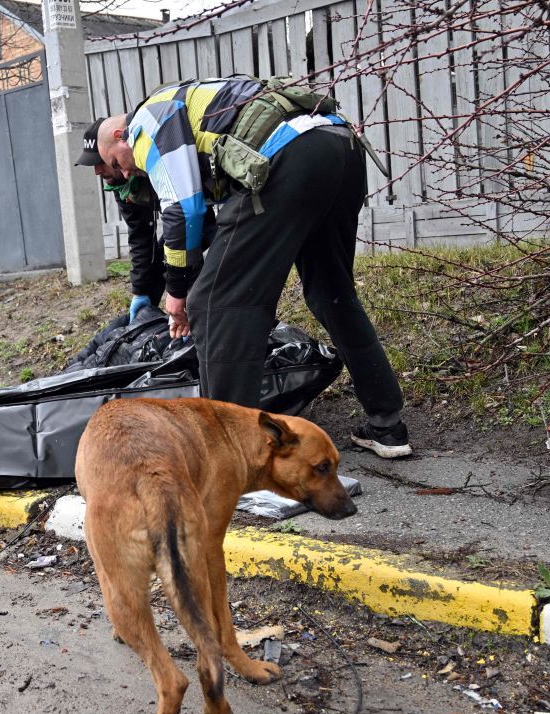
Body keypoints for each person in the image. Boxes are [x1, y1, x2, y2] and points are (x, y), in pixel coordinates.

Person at [97, 77, 412, 458]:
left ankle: (231, 457)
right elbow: (214, 231)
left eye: (116, 163)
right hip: (339, 147)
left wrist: (178, 294)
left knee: (217, 305)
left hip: (289, 155)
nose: (126, 175)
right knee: (332, 293)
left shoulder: (146, 122)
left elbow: (183, 210)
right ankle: (387, 426)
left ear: (120, 135)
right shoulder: (194, 115)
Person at [75, 118, 215, 323]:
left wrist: (178, 293)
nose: (97, 171)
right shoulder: (121, 185)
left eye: (99, 162)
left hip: (199, 213)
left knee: (184, 264)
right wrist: (140, 292)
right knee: (159, 262)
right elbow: (140, 235)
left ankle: (199, 319)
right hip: (180, 220)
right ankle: (152, 322)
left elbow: (188, 219)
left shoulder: (149, 160)